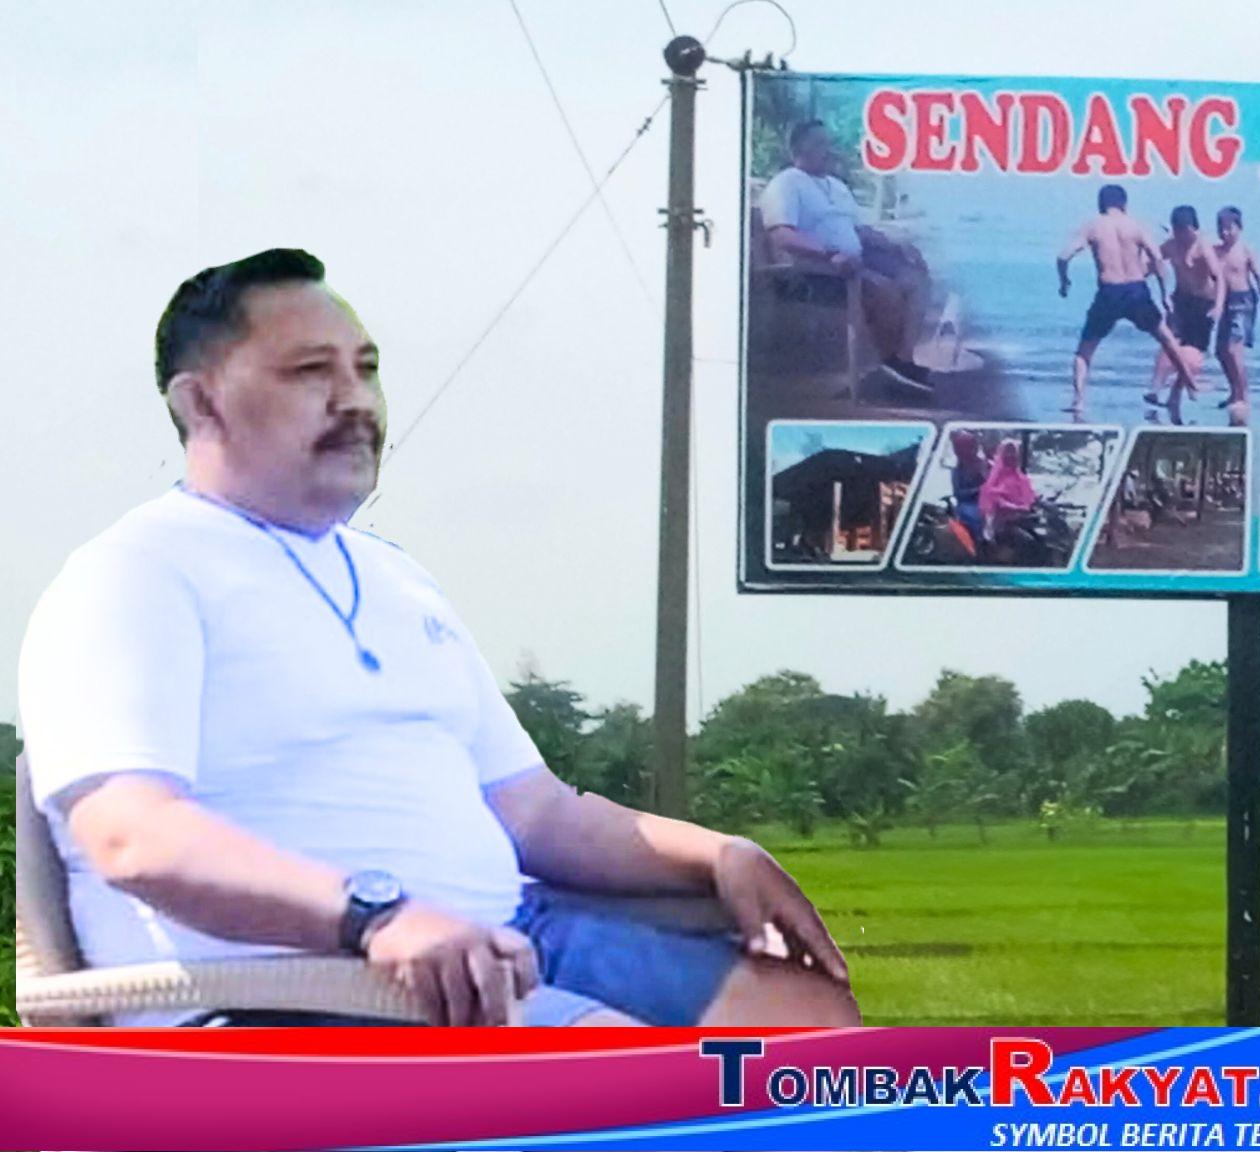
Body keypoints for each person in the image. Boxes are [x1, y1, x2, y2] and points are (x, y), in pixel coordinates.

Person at [16, 250, 860, 1029]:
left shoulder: (394, 579)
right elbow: (132, 834)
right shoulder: (134, 574)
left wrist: (720, 855)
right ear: (199, 402)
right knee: (722, 1095)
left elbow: (537, 812)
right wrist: (375, 916)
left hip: (514, 944)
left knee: (806, 1020)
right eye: (312, 372)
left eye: (366, 369)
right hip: (298, 987)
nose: (355, 399)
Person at [759, 119, 933, 390]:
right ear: (797, 149)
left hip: (853, 263)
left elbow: (859, 230)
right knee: (884, 290)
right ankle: (891, 366)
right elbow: (782, 235)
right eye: (818, 143)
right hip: (811, 270)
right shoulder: (786, 184)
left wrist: (897, 246)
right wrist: (829, 254)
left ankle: (902, 360)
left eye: (827, 143)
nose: (827, 150)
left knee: (915, 279)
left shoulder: (837, 186)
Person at [1056, 185, 1197, 414]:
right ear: (1124, 203)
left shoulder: (1093, 225)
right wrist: (1164, 295)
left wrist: (1064, 282)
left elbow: (1063, 256)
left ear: (1101, 203)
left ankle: (1079, 401)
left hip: (1109, 292)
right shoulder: (1136, 225)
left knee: (1084, 350)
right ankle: (1192, 385)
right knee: (1167, 339)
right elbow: (1158, 260)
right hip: (1136, 290)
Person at [1143, 205, 1224, 414]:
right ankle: (1155, 388)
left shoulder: (1202, 247)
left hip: (1203, 304)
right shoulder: (1171, 245)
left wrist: (1218, 306)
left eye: (1182, 230)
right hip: (1179, 300)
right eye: (1176, 229)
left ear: (1192, 228)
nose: (1179, 234)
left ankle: (1175, 395)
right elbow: (1154, 263)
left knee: (1193, 354)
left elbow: (1219, 278)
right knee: (1168, 342)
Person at [1211, 207, 1260, 415]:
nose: (1225, 233)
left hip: (1244, 301)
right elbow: (1198, 248)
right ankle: (1234, 391)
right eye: (1221, 228)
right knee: (1220, 351)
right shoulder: (1216, 250)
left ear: (1239, 228)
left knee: (1234, 350)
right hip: (1224, 302)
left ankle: (1244, 396)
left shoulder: (1246, 250)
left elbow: (1259, 276)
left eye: (1229, 228)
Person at [978, 439, 1038, 543]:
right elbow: (999, 502)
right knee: (1028, 542)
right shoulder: (994, 479)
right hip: (1003, 524)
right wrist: (1018, 508)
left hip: (1022, 520)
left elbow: (1029, 497)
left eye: (1013, 452)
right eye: (1007, 452)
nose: (1010, 455)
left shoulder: (1021, 478)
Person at [948, 428, 989, 545]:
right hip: (969, 504)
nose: (971, 449)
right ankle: (980, 544)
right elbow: (958, 493)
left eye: (972, 445)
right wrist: (978, 490)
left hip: (989, 501)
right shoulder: (957, 470)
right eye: (966, 446)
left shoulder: (985, 464)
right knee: (977, 516)